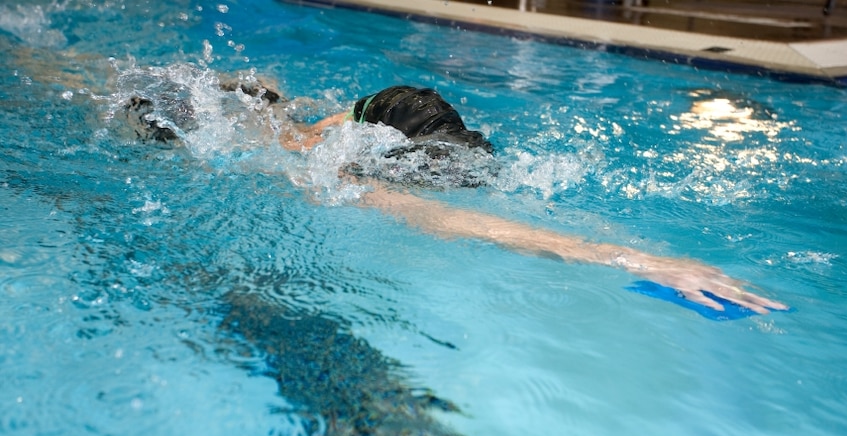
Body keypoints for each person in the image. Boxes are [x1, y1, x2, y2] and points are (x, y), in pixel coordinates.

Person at [128, 82, 787, 315]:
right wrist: (631, 258)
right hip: (151, 116)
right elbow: (454, 221)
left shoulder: (317, 131)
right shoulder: (333, 173)